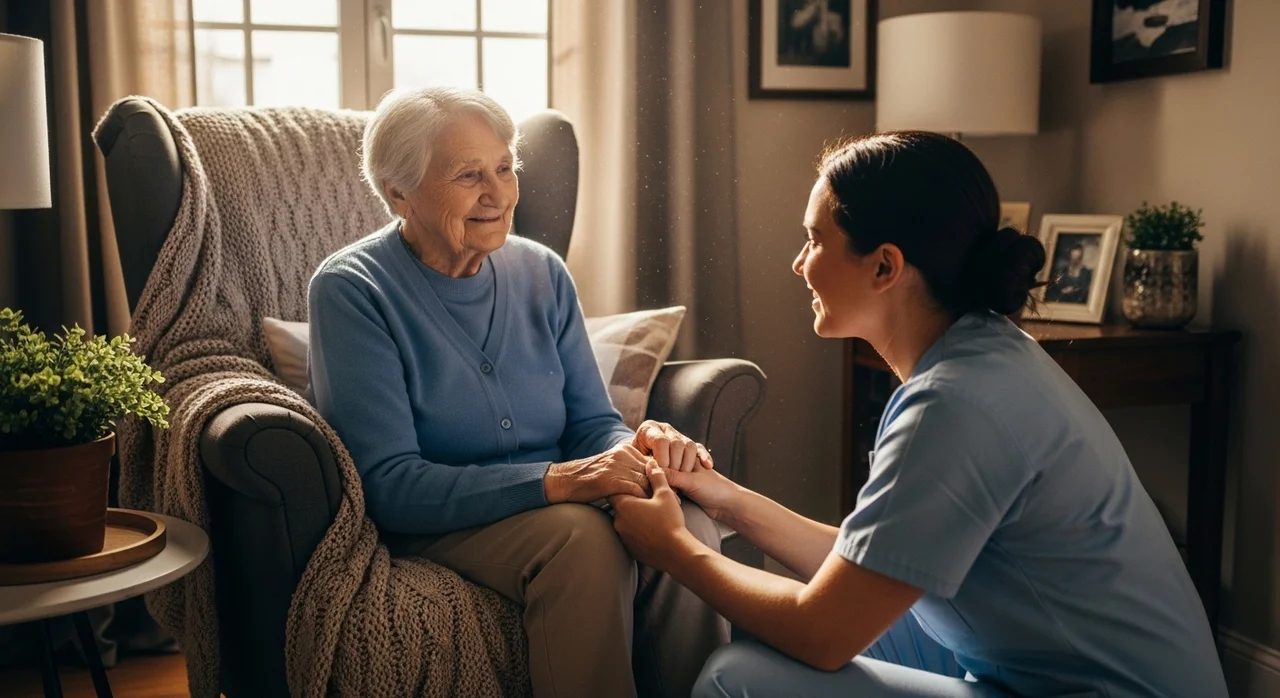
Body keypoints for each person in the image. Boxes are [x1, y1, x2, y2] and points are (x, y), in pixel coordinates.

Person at [607, 131, 1229, 697]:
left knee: (735, 679)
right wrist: (725, 499)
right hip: (1040, 662)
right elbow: (871, 565)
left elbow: (823, 631)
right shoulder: (983, 352)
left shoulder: (954, 404)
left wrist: (675, 550)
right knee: (762, 627)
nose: (799, 263)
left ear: (885, 266)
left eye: (815, 240)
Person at [307, 86, 727, 698]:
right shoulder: (352, 290)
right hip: (441, 520)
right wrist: (561, 481)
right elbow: (390, 484)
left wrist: (640, 452)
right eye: (468, 175)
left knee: (685, 519)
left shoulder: (543, 272)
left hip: (564, 498)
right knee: (584, 543)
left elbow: (592, 423)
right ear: (399, 193)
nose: (498, 194)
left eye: (504, 168)